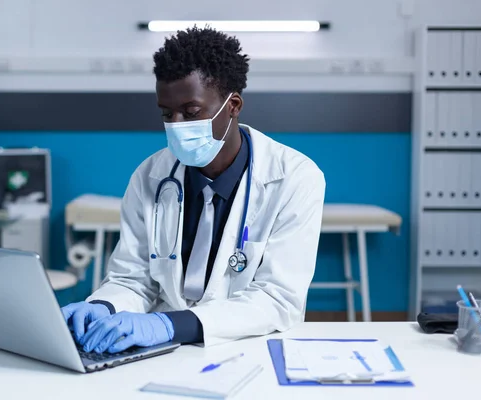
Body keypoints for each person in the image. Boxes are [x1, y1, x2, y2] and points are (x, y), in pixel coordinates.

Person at [61, 26, 326, 354]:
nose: (176, 124)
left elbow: (277, 299)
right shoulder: (150, 176)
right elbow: (132, 278)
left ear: (233, 105)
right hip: (158, 351)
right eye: (166, 113)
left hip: (249, 347)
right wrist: (103, 306)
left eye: (191, 112)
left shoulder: (294, 178)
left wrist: (170, 324)